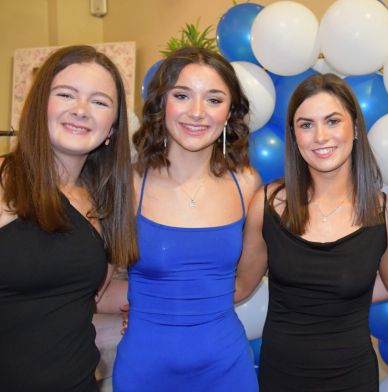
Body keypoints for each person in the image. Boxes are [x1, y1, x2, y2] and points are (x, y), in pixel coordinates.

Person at [234, 73, 388, 391]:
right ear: (294, 135)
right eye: (306, 125)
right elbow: (238, 288)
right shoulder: (266, 205)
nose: (320, 136)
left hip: (352, 379)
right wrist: (157, 307)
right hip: (280, 379)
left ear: (356, 128)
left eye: (332, 121)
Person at [112, 47, 260, 391]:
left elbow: (244, 283)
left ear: (230, 113)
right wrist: (148, 301)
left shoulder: (247, 183)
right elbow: (91, 282)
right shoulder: (128, 182)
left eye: (214, 99)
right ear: (162, 103)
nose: (197, 113)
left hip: (227, 370)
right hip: (144, 371)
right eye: (182, 95)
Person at [0, 45, 138, 391]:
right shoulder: (5, 181)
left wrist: (173, 296)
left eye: (99, 102)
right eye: (66, 94)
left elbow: (86, 293)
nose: (81, 111)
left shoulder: (101, 200)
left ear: (112, 128)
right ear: (38, 106)